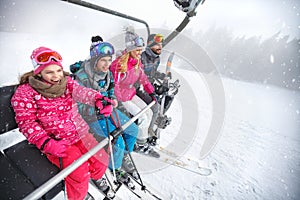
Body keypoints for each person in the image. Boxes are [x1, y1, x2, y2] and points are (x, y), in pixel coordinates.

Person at [11, 46, 110, 200]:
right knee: (79, 172)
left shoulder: (67, 82)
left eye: (58, 70)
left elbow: (82, 92)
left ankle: (95, 177)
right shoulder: (26, 92)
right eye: (49, 72)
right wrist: (45, 143)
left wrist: (98, 99)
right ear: (39, 72)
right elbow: (27, 122)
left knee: (101, 160)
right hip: (58, 142)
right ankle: (79, 195)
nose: (56, 76)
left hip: (80, 133)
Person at [72, 36, 138, 183]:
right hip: (93, 117)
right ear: (95, 60)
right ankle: (115, 166)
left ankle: (123, 154)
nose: (107, 64)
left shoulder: (108, 74)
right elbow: (78, 104)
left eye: (109, 60)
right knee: (117, 139)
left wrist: (112, 99)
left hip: (109, 110)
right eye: (103, 60)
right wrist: (97, 108)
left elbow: (111, 89)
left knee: (133, 129)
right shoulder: (82, 76)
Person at [110, 27, 160, 158]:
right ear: (130, 49)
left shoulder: (137, 62)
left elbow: (143, 79)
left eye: (140, 50)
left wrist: (152, 93)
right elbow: (114, 84)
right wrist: (118, 100)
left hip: (130, 93)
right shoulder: (119, 64)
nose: (139, 53)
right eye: (137, 50)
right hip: (122, 97)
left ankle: (143, 137)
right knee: (142, 117)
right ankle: (140, 143)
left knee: (149, 111)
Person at [138, 33, 172, 145]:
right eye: (157, 45)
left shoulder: (156, 59)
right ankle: (147, 134)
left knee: (166, 98)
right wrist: (151, 89)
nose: (160, 47)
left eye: (161, 45)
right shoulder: (141, 58)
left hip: (149, 86)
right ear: (150, 44)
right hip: (139, 87)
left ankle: (155, 122)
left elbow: (152, 73)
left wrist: (162, 76)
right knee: (155, 106)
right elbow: (139, 76)